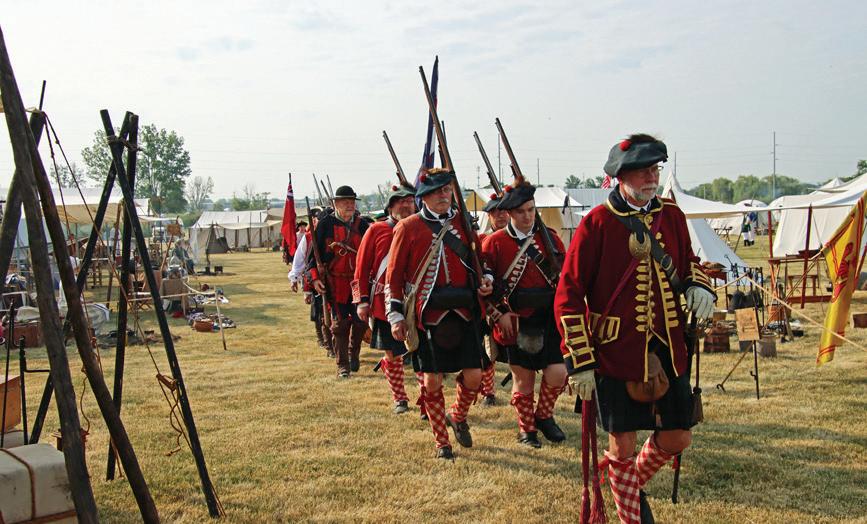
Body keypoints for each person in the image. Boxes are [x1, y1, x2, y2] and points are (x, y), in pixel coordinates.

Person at [554, 134, 716, 523]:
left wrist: (698, 285)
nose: (651, 177)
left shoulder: (671, 215)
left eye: (654, 169)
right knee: (621, 445)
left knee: (678, 436)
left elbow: (688, 262)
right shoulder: (596, 223)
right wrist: (580, 361)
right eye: (643, 171)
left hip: (668, 348)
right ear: (621, 177)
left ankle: (625, 483)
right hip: (615, 351)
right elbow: (568, 296)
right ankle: (630, 512)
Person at [386, 168, 493, 459]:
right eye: (436, 192)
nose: (443, 196)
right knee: (432, 381)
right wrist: (396, 316)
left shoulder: (463, 223)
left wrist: (486, 280)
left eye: (446, 190)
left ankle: (457, 415)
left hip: (464, 311)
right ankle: (442, 442)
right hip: (427, 315)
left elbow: (480, 260)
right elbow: (394, 278)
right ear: (424, 196)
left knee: (475, 376)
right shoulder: (407, 227)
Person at [482, 182, 568, 448]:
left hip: (548, 317)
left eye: (531, 210)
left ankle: (543, 415)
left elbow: (565, 278)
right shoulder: (494, 242)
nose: (527, 216)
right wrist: (499, 315)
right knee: (524, 379)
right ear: (509, 213)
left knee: (558, 372)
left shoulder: (550, 238)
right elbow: (483, 289)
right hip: (515, 319)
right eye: (520, 211)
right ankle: (526, 429)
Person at [352, 183, 419, 414]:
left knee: (421, 352)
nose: (406, 206)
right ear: (391, 207)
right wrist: (362, 301)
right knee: (392, 353)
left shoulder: (422, 229)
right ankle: (400, 398)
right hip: (384, 303)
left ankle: (427, 400)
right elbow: (361, 268)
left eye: (409, 201)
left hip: (417, 301)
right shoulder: (376, 230)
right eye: (400, 202)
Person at [311, 187, 370, 378]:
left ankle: (354, 353)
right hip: (335, 283)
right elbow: (314, 257)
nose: (350, 205)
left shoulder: (363, 225)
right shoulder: (325, 225)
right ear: (335, 204)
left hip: (358, 282)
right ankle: (343, 365)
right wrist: (315, 279)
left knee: (360, 322)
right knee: (340, 325)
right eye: (345, 202)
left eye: (352, 202)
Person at [477, 194, 509, 406]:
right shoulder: (481, 241)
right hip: (490, 302)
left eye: (503, 211)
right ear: (489, 217)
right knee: (489, 351)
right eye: (494, 212)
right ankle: (488, 392)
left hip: (514, 303)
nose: (500, 216)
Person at [290, 207, 332, 355]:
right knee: (319, 312)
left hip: (334, 279)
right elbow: (301, 260)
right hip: (315, 279)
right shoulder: (308, 237)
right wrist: (296, 279)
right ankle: (325, 340)